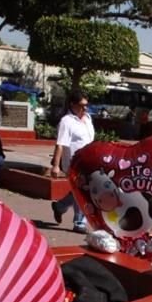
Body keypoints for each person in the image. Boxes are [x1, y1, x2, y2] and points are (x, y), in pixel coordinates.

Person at [50, 90, 95, 233]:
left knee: (79, 190)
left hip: (88, 161)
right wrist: (56, 166)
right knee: (83, 190)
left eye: (86, 105)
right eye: (81, 105)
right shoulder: (67, 122)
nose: (85, 108)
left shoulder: (87, 118)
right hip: (73, 163)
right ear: (72, 105)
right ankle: (79, 222)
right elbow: (60, 144)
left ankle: (60, 206)